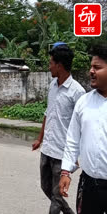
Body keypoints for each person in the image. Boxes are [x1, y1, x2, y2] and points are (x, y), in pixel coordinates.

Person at [32, 42, 85, 214]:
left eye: (50, 63)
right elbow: (48, 114)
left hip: (63, 153)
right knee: (46, 187)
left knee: (56, 196)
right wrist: (40, 139)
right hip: (47, 148)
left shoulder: (77, 92)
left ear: (59, 66)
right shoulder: (52, 86)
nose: (49, 67)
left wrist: (77, 155)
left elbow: (83, 125)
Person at [59, 44, 107, 214]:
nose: (91, 71)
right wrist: (66, 171)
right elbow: (72, 140)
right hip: (89, 186)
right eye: (91, 67)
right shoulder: (83, 102)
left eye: (97, 67)